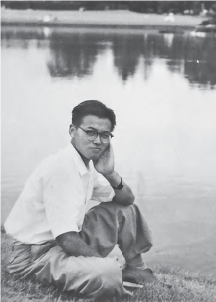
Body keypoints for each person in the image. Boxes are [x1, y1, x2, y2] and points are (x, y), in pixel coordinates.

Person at [4, 100, 157, 300]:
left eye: (104, 135)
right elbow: (67, 239)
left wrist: (110, 174)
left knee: (125, 210)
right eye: (90, 132)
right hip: (33, 256)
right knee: (108, 273)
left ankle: (137, 267)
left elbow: (127, 200)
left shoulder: (86, 166)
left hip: (58, 246)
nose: (97, 141)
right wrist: (102, 263)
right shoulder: (61, 168)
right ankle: (113, 272)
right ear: (72, 131)